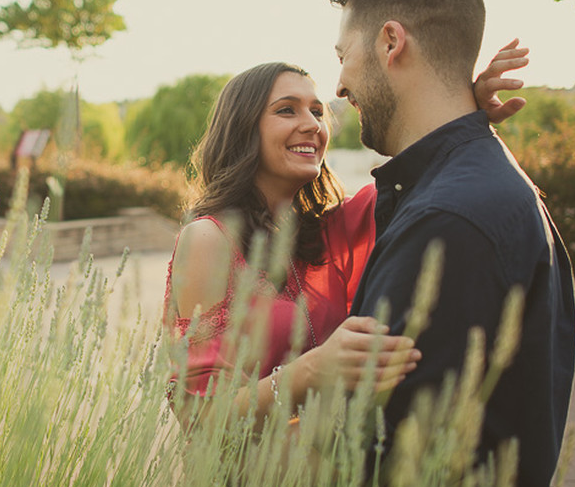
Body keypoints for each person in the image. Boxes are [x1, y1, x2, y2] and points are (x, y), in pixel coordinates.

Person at [329, 0, 575, 487]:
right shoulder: (485, 182)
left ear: (391, 42)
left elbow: (381, 460)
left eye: (343, 56)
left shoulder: (448, 220)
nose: (339, 83)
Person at [164, 44, 530, 426]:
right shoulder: (209, 239)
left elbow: (433, 172)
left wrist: (466, 110)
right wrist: (309, 372)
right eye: (287, 109)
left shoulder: (334, 229)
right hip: (247, 483)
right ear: (242, 127)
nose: (312, 124)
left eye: (317, 111)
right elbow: (199, 417)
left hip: (332, 479)